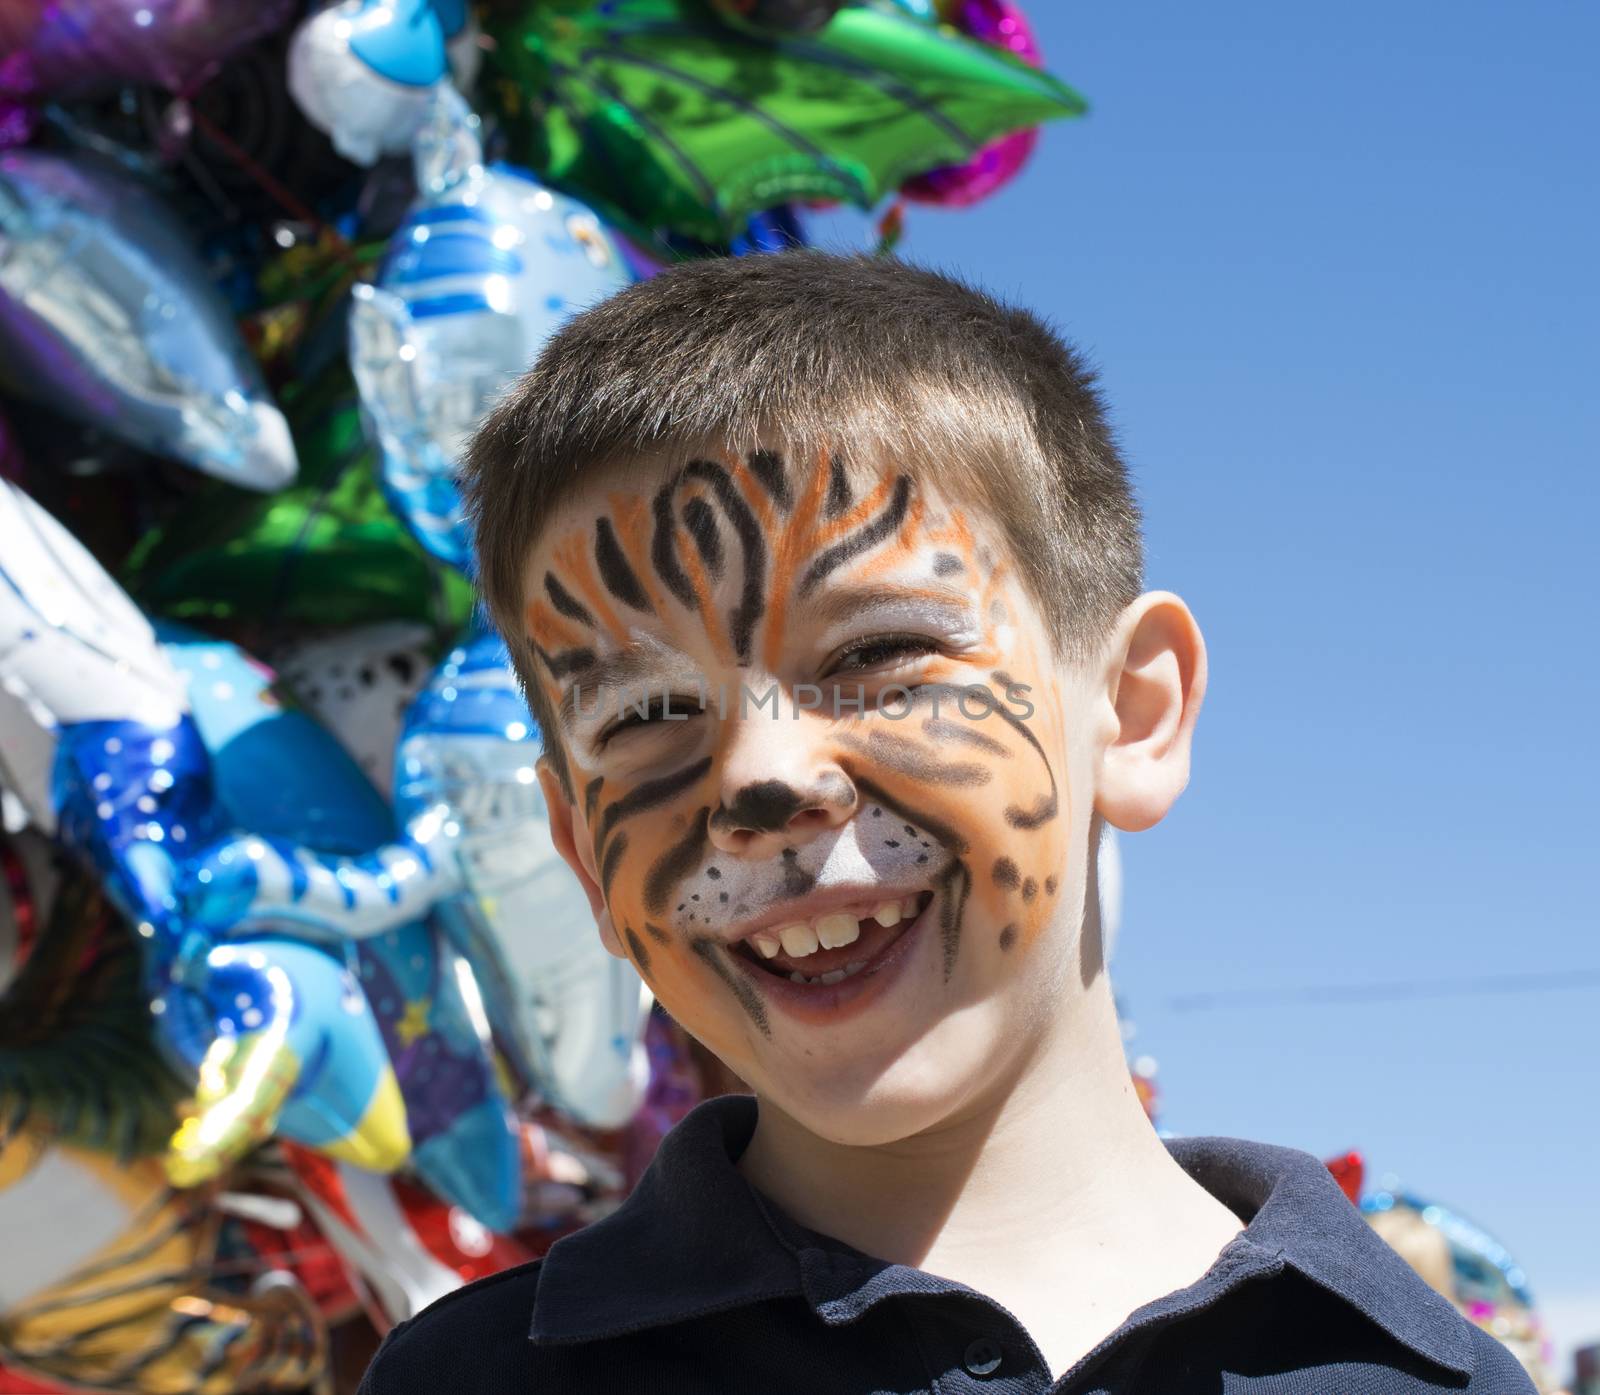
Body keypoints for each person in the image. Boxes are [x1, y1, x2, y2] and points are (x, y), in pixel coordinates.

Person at [357, 251, 1533, 1393]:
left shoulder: (1429, 1376)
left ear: (1130, 714)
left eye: (876, 653)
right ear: (578, 851)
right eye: (649, 713)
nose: (760, 785)